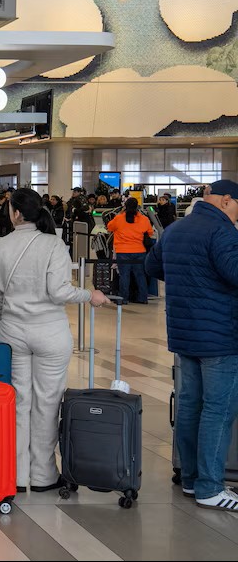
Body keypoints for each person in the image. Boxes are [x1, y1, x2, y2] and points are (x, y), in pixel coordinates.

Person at [0, 189, 109, 493]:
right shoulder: (53, 244)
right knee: (47, 402)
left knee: (18, 402)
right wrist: (89, 295)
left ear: (16, 214)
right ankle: (43, 474)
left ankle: (17, 474)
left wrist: (7, 317)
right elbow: (58, 292)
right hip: (50, 332)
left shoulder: (0, 246)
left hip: (13, 332)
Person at [147, 180, 238, 510]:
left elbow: (152, 266)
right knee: (218, 409)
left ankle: (189, 479)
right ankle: (211, 487)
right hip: (219, 336)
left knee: (190, 405)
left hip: (184, 334)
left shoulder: (175, 229)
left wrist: (189, 280)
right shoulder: (223, 231)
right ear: (227, 200)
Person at [107, 198, 154, 305]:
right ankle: (143, 297)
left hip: (123, 251)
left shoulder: (119, 218)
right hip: (139, 251)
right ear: (137, 207)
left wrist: (120, 213)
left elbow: (109, 227)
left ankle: (123, 298)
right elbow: (150, 233)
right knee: (140, 275)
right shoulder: (144, 219)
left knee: (124, 275)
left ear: (125, 206)